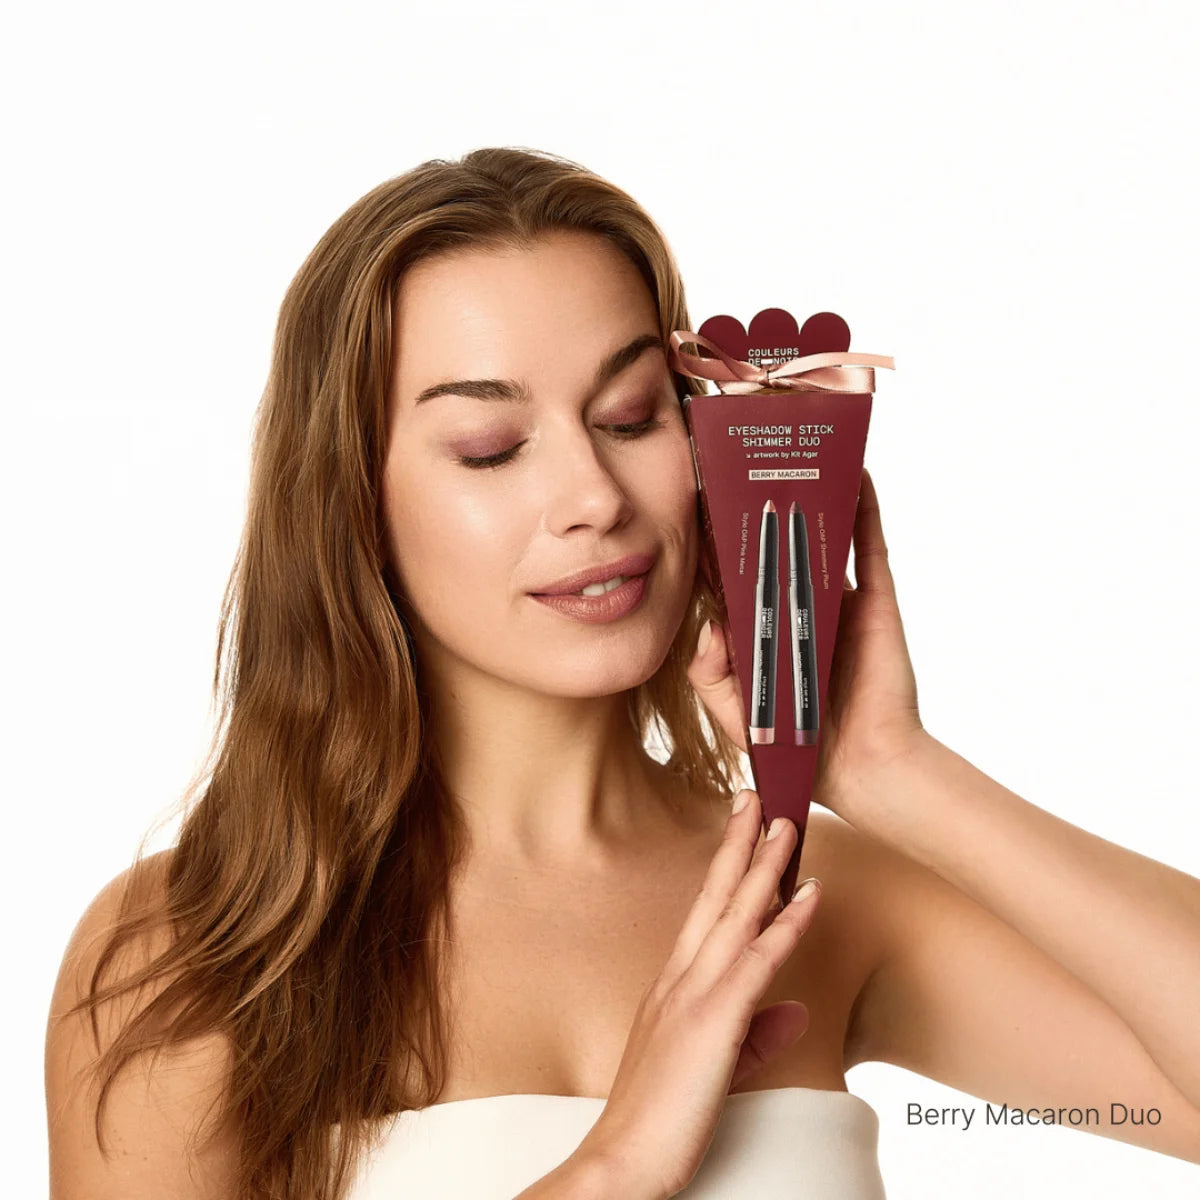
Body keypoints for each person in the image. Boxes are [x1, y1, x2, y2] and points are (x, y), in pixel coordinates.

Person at [44, 146, 1200, 1200]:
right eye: (492, 449)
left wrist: (896, 771)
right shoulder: (194, 950)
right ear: (352, 505)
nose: (595, 496)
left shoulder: (810, 895)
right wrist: (617, 1162)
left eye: (634, 415)